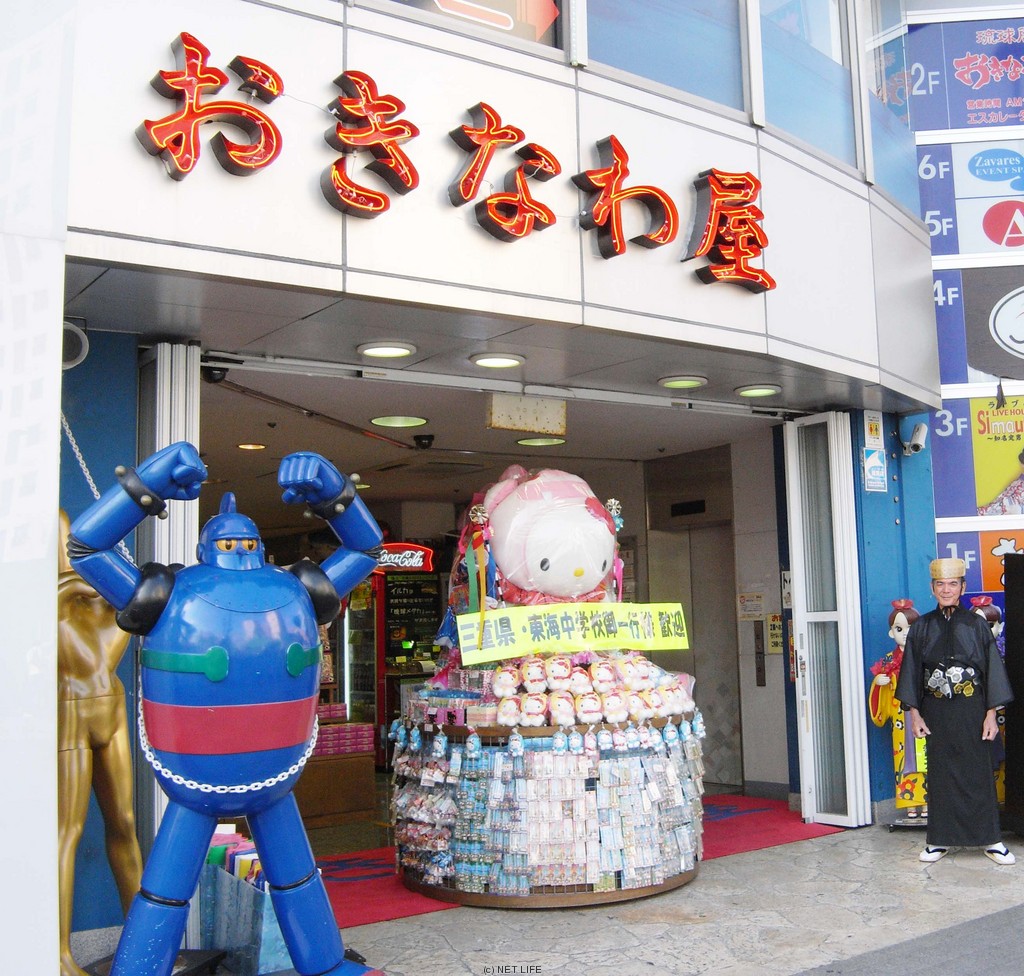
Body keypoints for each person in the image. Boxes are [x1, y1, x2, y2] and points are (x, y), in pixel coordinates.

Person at [57, 509, 143, 976]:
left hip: (109, 708)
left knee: (124, 823)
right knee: (66, 832)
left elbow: (134, 613)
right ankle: (60, 954)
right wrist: (79, 584)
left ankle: (144, 939)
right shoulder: (52, 599)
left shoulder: (99, 600)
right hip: (67, 712)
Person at [895, 558, 1015, 865]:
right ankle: (939, 840)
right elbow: (911, 672)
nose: (946, 590)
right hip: (935, 710)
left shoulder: (976, 624)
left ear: (962, 587)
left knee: (979, 771)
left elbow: (991, 669)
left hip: (972, 708)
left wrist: (991, 714)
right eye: (940, 584)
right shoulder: (922, 626)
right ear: (932, 588)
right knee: (940, 774)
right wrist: (915, 714)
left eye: (952, 584)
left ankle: (991, 839)